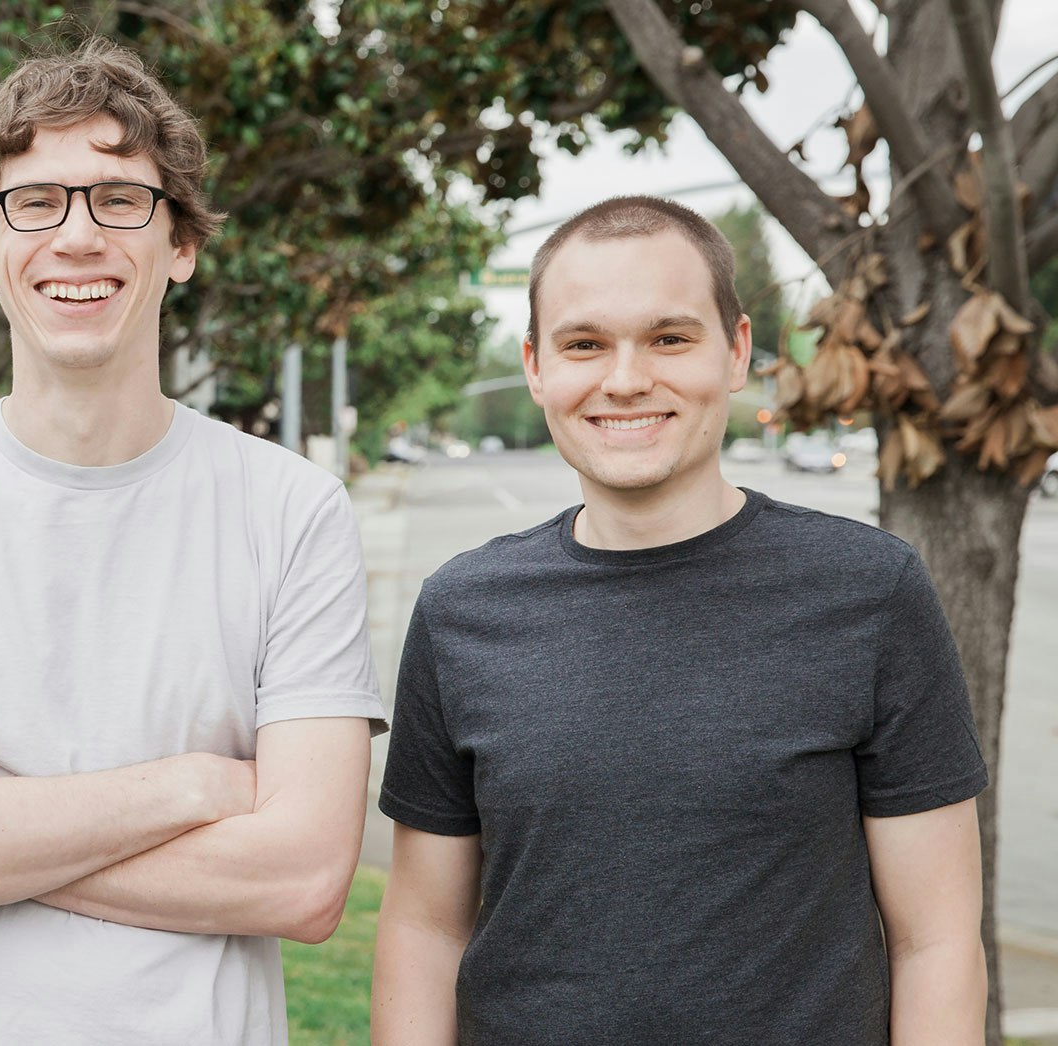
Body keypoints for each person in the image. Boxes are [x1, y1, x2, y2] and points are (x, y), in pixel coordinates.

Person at [0, 39, 383, 1045]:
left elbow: (308, 876)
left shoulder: (294, 510)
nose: (77, 235)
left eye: (119, 199)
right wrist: (198, 787)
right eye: (35, 201)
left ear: (180, 243)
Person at [371, 195, 988, 1044]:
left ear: (735, 352)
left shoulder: (871, 593)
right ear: (536, 366)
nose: (625, 379)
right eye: (585, 344)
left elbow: (938, 941)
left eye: (669, 338)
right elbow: (424, 928)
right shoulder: (460, 611)